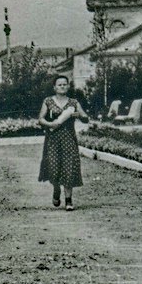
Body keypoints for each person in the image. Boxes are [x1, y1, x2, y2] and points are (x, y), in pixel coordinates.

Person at [38, 75, 86, 211]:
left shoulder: (73, 103)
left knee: (69, 168)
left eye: (65, 84)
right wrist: (50, 124)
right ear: (54, 87)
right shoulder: (48, 101)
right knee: (53, 167)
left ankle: (69, 201)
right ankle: (56, 189)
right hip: (52, 140)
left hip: (69, 140)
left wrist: (80, 115)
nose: (62, 86)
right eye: (59, 84)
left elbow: (86, 117)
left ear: (68, 86)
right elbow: (40, 119)